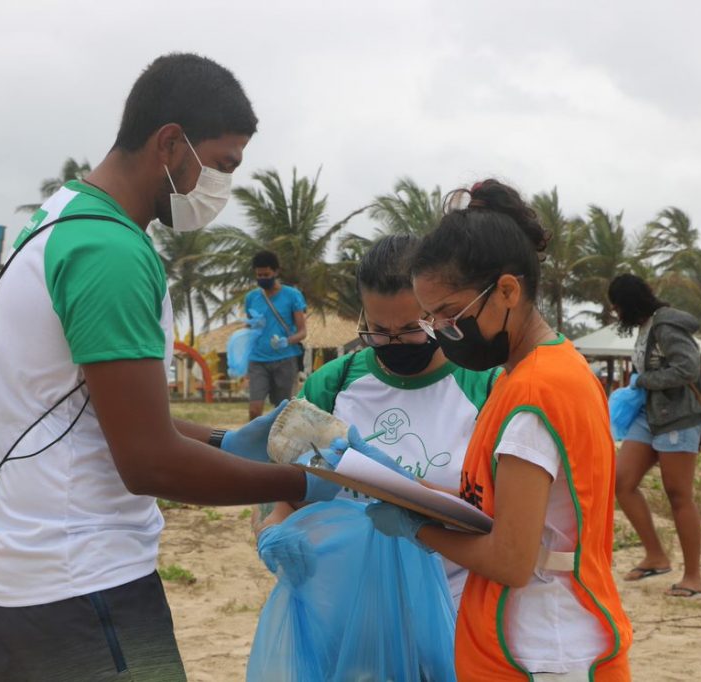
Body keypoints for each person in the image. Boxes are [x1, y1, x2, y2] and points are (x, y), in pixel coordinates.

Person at [0, 54, 341, 682]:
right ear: (170, 143)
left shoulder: (57, 221)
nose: (222, 188)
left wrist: (225, 441)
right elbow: (146, 461)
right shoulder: (111, 252)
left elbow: (98, 413)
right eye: (222, 166)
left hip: (15, 581)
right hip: (82, 594)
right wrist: (301, 486)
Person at [367, 180, 632, 681]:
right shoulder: (548, 371)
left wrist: (418, 528)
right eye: (430, 320)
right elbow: (511, 503)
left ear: (507, 291)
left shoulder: (533, 394)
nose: (441, 332)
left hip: (543, 648)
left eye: (449, 314)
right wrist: (413, 491)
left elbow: (511, 559)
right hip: (553, 634)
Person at [248, 235, 497, 679]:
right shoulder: (335, 384)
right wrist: (273, 526)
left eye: (412, 328)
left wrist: (413, 503)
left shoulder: (485, 388)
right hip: (347, 616)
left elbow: (502, 516)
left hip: (455, 613)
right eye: (379, 331)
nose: (395, 342)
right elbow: (286, 485)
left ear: (439, 311)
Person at [608, 273, 701, 598]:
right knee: (621, 482)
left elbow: (688, 368)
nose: (616, 313)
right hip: (650, 415)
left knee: (678, 495)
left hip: (678, 416)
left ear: (628, 303)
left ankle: (693, 576)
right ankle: (656, 556)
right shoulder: (647, 326)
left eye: (617, 307)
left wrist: (643, 380)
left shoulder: (666, 325)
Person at [245, 250, 307, 420]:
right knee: (254, 410)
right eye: (259, 275)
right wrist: (253, 326)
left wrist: (286, 341)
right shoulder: (251, 298)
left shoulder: (292, 295)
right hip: (258, 360)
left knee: (283, 411)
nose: (262, 278)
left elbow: (303, 332)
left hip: (285, 360)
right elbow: (248, 328)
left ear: (276, 272)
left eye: (266, 274)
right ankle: (253, 444)